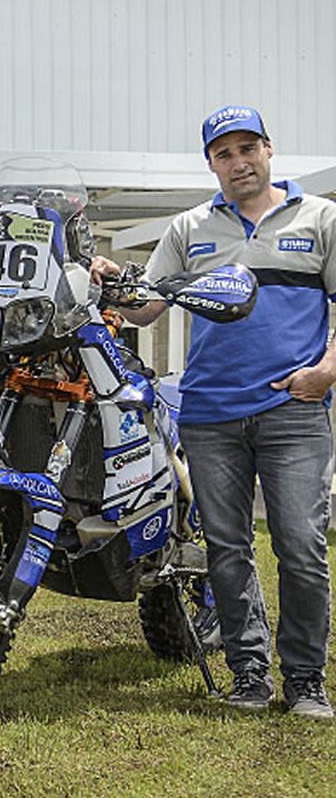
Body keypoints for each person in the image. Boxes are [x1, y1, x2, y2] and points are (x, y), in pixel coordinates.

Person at [92, 105, 336, 719]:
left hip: (294, 410)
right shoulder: (189, 227)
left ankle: (305, 680)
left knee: (302, 545)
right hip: (209, 414)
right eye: (223, 154)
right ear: (211, 164)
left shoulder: (321, 218)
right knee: (227, 548)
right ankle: (250, 672)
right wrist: (110, 277)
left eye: (247, 147)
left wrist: (327, 371)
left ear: (269, 149)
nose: (238, 162)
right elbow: (147, 304)